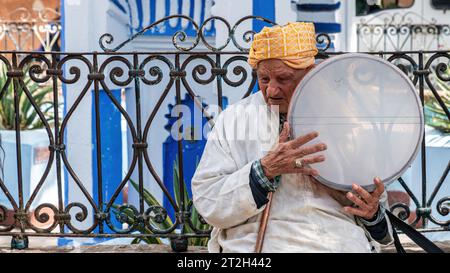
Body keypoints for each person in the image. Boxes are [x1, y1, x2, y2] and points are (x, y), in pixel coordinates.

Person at [192, 22, 394, 253]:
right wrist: (264, 170)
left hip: (337, 242)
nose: (271, 91)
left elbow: (380, 226)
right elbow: (208, 203)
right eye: (264, 79)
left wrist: (371, 213)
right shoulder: (234, 119)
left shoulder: (346, 120)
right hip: (257, 245)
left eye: (283, 79)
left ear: (310, 74)